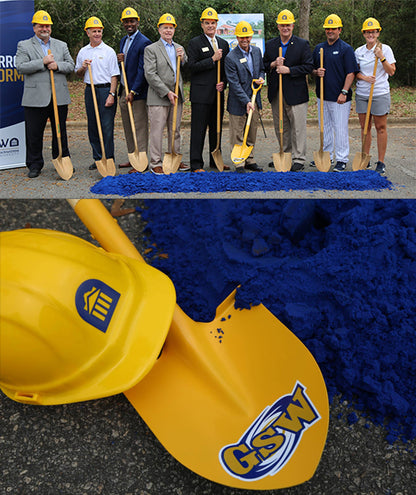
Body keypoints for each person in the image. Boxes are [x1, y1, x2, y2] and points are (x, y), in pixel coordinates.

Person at [15, 10, 74, 178]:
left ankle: (62, 159)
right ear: (34, 28)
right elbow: (20, 67)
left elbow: (70, 65)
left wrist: (57, 66)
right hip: (35, 98)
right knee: (34, 133)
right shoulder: (24, 45)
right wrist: (43, 62)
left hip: (59, 97)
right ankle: (34, 164)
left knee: (60, 131)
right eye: (41, 25)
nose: (44, 28)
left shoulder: (61, 45)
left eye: (47, 25)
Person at [263, 9, 313, 172]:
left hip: (296, 93)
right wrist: (272, 64)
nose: (285, 28)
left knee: (297, 127)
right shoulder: (271, 45)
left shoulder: (302, 44)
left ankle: (298, 158)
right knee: (281, 126)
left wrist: (289, 70)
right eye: (282, 25)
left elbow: (308, 66)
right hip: (277, 93)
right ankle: (285, 155)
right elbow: (263, 65)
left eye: (288, 25)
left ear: (293, 25)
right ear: (278, 26)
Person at [144, 13, 189, 175]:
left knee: (175, 129)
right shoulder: (151, 49)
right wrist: (166, 92)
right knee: (157, 130)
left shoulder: (179, 47)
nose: (168, 31)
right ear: (159, 29)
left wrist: (182, 57)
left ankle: (174, 155)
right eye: (165, 28)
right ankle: (155, 162)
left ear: (174, 30)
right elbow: (150, 74)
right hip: (158, 96)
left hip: (177, 95)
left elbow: (185, 63)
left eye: (171, 28)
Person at [312, 14, 358, 172]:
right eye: (328, 28)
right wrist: (316, 71)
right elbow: (311, 68)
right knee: (324, 127)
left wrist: (344, 92)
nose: (330, 31)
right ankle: (327, 155)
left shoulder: (345, 49)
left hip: (340, 98)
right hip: (322, 96)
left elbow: (351, 72)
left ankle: (342, 158)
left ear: (340, 30)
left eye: (333, 28)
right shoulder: (319, 48)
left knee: (340, 128)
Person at [187, 7, 230, 172]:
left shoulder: (224, 44)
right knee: (198, 130)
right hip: (200, 95)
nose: (210, 26)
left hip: (217, 94)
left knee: (216, 128)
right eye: (207, 23)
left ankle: (215, 160)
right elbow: (192, 66)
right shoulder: (195, 43)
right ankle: (196, 164)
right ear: (202, 25)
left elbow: (227, 69)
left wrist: (224, 83)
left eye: (213, 23)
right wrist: (212, 59)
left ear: (217, 24)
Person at [75, 17, 119, 170]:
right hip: (90, 90)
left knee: (106, 126)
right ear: (88, 33)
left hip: (106, 90)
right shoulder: (83, 52)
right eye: (94, 31)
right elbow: (78, 74)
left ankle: (109, 158)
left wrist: (112, 94)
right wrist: (83, 68)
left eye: (99, 31)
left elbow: (114, 75)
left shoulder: (109, 51)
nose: (97, 34)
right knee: (93, 126)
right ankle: (98, 158)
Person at [355, 18, 396, 174]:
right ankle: (365, 159)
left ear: (378, 33)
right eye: (368, 32)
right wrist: (365, 78)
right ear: (364, 33)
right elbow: (355, 72)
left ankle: (381, 162)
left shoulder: (385, 49)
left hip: (379, 93)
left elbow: (391, 71)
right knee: (365, 128)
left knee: (380, 128)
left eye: (373, 31)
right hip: (362, 94)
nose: (370, 34)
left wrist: (381, 57)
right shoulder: (359, 51)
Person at [224, 20, 265, 172]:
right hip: (238, 102)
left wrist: (261, 78)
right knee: (237, 133)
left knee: (251, 132)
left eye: (247, 37)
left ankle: (250, 159)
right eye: (242, 37)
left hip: (255, 100)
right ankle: (239, 162)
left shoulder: (256, 51)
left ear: (251, 36)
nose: (245, 40)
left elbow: (261, 69)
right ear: (237, 37)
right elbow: (233, 84)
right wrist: (247, 101)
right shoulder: (230, 57)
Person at [117, 7, 151, 172]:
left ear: (137, 22)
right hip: (124, 90)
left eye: (132, 21)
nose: (129, 24)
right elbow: (125, 66)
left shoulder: (144, 42)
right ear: (123, 23)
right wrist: (119, 60)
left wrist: (134, 91)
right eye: (126, 21)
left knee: (139, 126)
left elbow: (142, 70)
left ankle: (142, 161)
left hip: (136, 93)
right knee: (128, 126)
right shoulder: (124, 40)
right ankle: (132, 157)